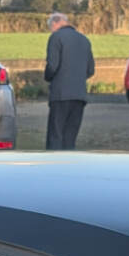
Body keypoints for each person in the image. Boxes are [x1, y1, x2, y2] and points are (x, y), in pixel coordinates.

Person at [43, 11, 94, 151]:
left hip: (60, 94)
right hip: (79, 95)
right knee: (70, 138)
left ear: (55, 23)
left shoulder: (56, 38)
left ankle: (53, 168)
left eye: (50, 27)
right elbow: (90, 70)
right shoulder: (84, 40)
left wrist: (47, 77)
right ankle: (69, 168)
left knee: (55, 136)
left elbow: (52, 66)